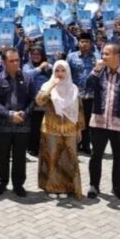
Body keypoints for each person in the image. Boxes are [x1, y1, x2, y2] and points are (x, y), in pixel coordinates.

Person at [85, 42, 120, 200]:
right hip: (99, 122)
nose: (103, 57)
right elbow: (87, 87)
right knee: (96, 155)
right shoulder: (99, 73)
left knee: (119, 157)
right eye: (103, 54)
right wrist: (95, 70)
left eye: (106, 54)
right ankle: (94, 185)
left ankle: (117, 187)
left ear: (117, 56)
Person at [35, 60, 86, 199]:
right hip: (51, 128)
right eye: (57, 70)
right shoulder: (47, 86)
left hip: (69, 128)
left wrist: (79, 129)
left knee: (68, 158)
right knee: (52, 158)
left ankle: (67, 187)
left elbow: (79, 110)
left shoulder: (73, 88)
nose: (60, 74)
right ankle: (52, 187)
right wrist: (51, 85)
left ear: (68, 72)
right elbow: (39, 101)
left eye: (63, 70)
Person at [0, 48, 35, 197]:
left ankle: (18, 184)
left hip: (22, 124)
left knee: (20, 156)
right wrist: (9, 114)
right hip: (3, 125)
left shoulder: (28, 78)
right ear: (3, 62)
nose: (16, 63)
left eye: (17, 60)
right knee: (2, 155)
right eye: (11, 61)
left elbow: (33, 100)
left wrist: (24, 114)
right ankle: (1, 182)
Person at [67, 32, 99, 154]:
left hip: (90, 94)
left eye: (87, 42)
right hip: (75, 94)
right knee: (75, 120)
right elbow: (67, 74)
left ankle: (86, 145)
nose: (84, 44)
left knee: (88, 121)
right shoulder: (71, 57)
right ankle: (75, 144)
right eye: (82, 41)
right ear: (78, 43)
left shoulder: (95, 57)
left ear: (91, 44)